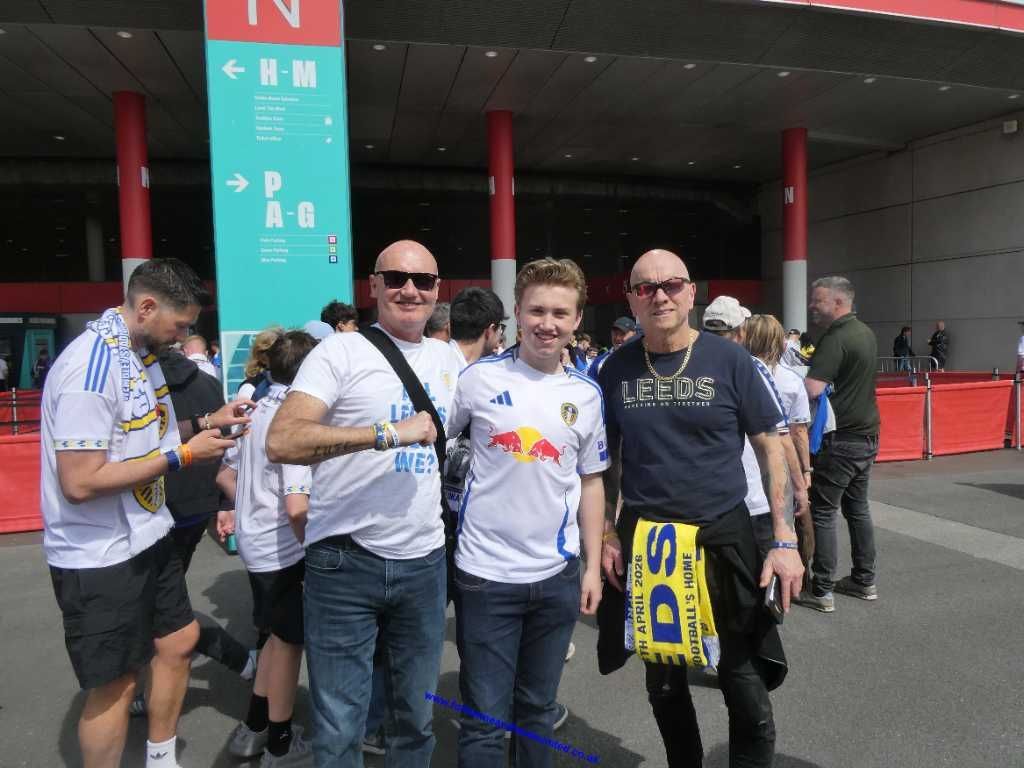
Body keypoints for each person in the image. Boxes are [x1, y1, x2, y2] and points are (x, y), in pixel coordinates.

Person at [596, 248, 802, 768]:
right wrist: (606, 533)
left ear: (691, 293)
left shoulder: (730, 360)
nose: (660, 296)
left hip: (724, 534)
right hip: (650, 542)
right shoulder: (614, 369)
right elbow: (604, 460)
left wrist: (783, 537)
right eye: (646, 288)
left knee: (742, 677)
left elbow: (770, 446)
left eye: (671, 285)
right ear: (631, 300)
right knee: (664, 683)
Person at [40, 258, 248, 768]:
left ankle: (161, 758)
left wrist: (206, 421)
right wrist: (183, 456)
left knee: (178, 641)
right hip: (99, 554)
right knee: (117, 683)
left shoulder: (139, 355)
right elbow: (80, 481)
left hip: (149, 533)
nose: (182, 338)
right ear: (148, 307)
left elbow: (148, 436)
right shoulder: (90, 369)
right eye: (178, 325)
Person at [266, 240, 462, 767]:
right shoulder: (339, 352)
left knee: (415, 719)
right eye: (396, 278)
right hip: (345, 561)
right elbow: (282, 440)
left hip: (424, 561)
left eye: (423, 281)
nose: (410, 290)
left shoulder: (448, 359)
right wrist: (386, 434)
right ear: (373, 285)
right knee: (338, 724)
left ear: (437, 290)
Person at [447, 259, 607, 767]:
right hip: (485, 575)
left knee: (537, 711)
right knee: (484, 721)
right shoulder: (476, 379)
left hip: (556, 577)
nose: (547, 323)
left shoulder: (586, 394)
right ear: (517, 312)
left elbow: (591, 481)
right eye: (537, 310)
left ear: (577, 320)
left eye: (560, 313)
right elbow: (435, 442)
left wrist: (591, 567)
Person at [218, 330, 318, 767]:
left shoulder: (255, 409)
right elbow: (297, 508)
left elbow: (225, 474)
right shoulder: (293, 422)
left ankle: (255, 725)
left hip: (257, 542)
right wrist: (315, 552)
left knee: (275, 639)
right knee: (289, 645)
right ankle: (279, 742)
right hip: (284, 549)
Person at [797, 276, 880, 613]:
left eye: (818, 300)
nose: (812, 306)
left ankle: (822, 589)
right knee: (857, 508)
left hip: (840, 438)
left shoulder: (836, 338)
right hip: (866, 435)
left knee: (824, 511)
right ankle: (864, 579)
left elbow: (812, 389)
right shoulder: (865, 332)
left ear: (838, 302)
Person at [744, 314, 814, 581]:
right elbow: (796, 435)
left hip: (734, 488)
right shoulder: (790, 380)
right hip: (772, 485)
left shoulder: (731, 373)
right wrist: (804, 476)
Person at [236, 327, 283, 402]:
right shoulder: (249, 388)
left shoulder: (296, 382)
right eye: (277, 351)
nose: (284, 355)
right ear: (262, 358)